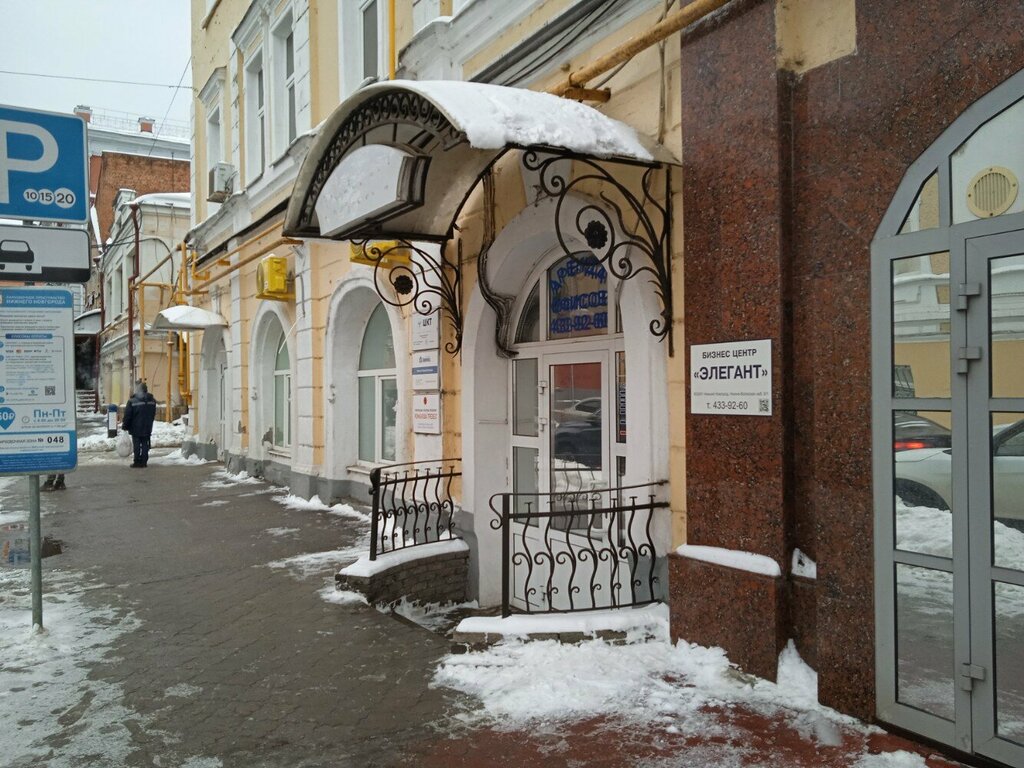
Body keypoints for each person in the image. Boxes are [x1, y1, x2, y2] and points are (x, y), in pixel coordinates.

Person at [122, 382, 157, 468]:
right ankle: (144, 462)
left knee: (137, 444)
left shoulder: (132, 401)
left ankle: (137, 461)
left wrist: (125, 425)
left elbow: (128, 415)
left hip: (136, 427)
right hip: (147, 426)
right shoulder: (152, 400)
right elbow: (153, 413)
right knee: (145, 443)